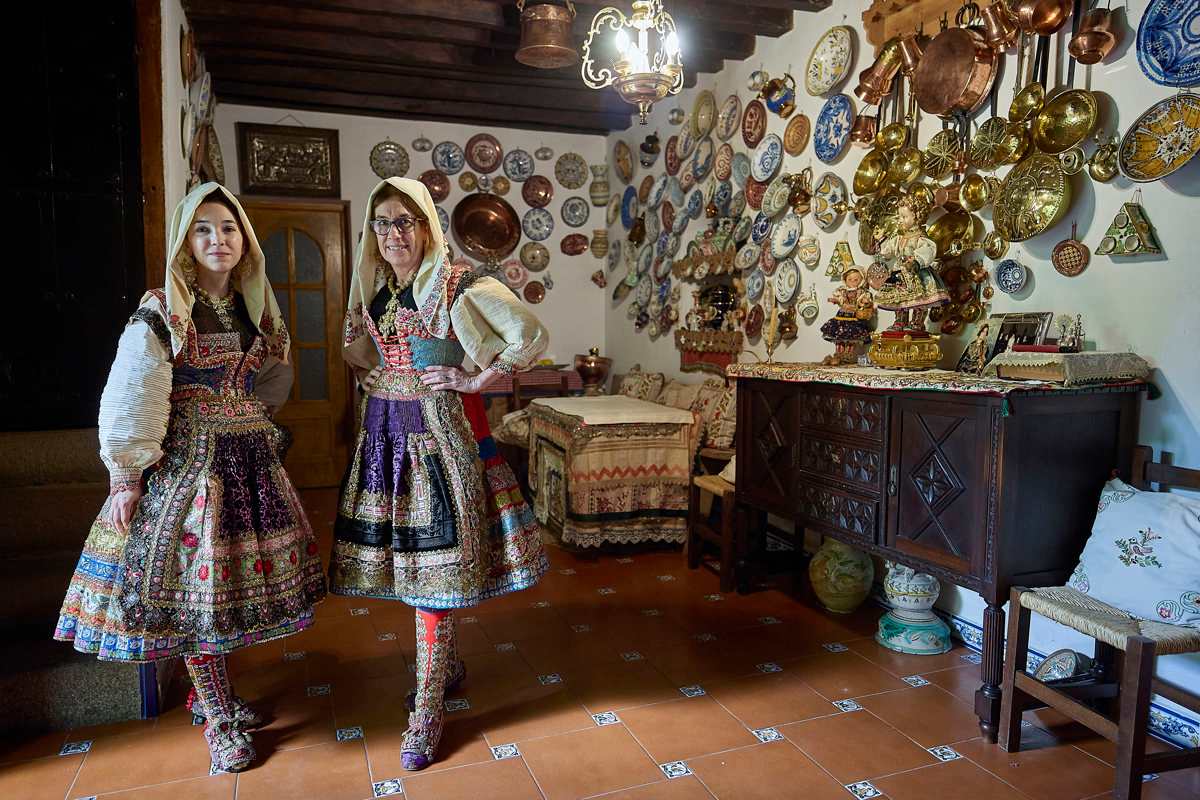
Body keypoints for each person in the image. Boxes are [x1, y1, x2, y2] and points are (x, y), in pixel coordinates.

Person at [54, 182, 327, 773]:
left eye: (228, 228)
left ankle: (215, 698)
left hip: (248, 461)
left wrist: (256, 421)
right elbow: (134, 388)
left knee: (224, 592)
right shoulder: (164, 308)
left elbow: (274, 374)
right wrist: (126, 474)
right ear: (186, 240)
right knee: (195, 596)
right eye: (203, 228)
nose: (218, 239)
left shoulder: (254, 303)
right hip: (189, 468)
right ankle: (218, 715)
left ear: (244, 239)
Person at [330, 177, 550, 771]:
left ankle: (428, 706)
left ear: (427, 227)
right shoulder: (380, 289)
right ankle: (445, 666)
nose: (393, 233)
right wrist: (369, 379)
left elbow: (527, 335)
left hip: (437, 438)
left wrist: (475, 379)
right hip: (385, 438)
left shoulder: (458, 283)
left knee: (436, 565)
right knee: (408, 561)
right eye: (383, 224)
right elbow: (361, 352)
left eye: (405, 221)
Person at [872, 193, 949, 332]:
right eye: (900, 217)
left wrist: (916, 261)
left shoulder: (920, 237)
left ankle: (917, 322)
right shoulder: (898, 237)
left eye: (904, 217)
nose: (901, 220)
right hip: (899, 274)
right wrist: (881, 238)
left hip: (916, 273)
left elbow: (928, 250)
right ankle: (900, 321)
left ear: (916, 216)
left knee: (919, 299)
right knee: (900, 299)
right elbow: (887, 252)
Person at [820, 265, 875, 365]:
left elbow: (864, 301)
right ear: (845, 280)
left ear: (862, 280)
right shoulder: (843, 291)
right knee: (839, 335)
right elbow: (840, 299)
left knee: (851, 337)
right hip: (841, 316)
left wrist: (865, 302)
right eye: (850, 279)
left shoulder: (861, 292)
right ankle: (838, 354)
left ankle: (848, 355)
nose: (853, 281)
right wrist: (835, 300)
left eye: (856, 279)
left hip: (853, 316)